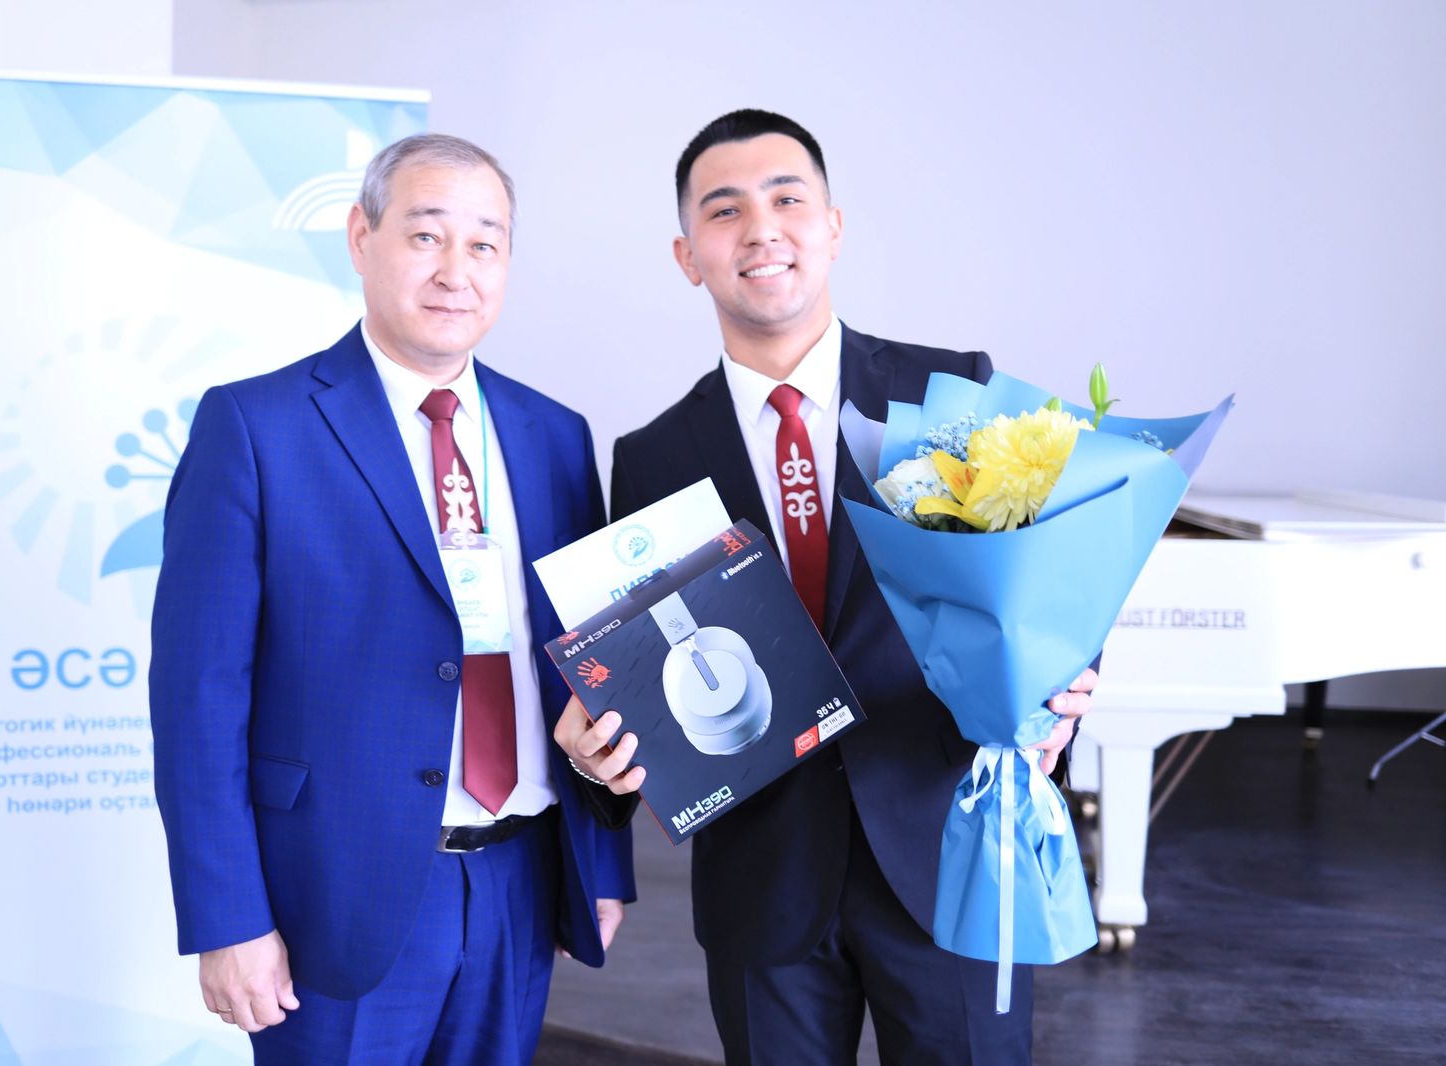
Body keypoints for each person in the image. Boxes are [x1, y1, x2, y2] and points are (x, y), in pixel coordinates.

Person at [556, 110, 1096, 1065]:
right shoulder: (651, 458)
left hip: (948, 856)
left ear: (833, 227)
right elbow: (644, 667)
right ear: (687, 256)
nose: (761, 229)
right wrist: (606, 756)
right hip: (762, 883)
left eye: (787, 199)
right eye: (725, 211)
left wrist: (1063, 678)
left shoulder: (947, 392)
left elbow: (1051, 580)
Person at [150, 132, 635, 1065]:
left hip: (522, 880)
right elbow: (197, 699)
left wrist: (600, 864)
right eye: (425, 235)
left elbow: (588, 663)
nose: (457, 270)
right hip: (335, 896)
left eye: (485, 244)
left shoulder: (554, 435)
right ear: (360, 236)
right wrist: (227, 918)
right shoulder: (256, 426)